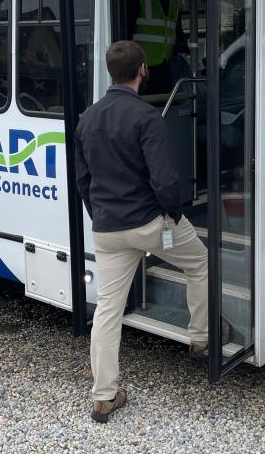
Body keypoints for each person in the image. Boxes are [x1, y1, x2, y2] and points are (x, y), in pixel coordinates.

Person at [75, 39, 208, 423]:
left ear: (109, 72)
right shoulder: (147, 117)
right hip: (149, 223)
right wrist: (175, 215)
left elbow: (83, 180)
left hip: (108, 229)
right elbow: (165, 180)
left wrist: (100, 214)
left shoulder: (87, 118)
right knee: (199, 262)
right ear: (143, 70)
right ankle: (200, 336)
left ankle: (104, 396)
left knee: (107, 311)